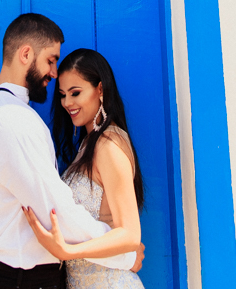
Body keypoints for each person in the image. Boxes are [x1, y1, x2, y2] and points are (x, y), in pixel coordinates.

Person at [0, 14, 142, 289]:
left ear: (99, 90)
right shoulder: (11, 118)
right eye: (50, 60)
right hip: (20, 281)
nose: (53, 71)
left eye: (75, 92)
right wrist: (124, 255)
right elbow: (55, 211)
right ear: (26, 54)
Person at [24, 48, 146, 289]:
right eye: (62, 95)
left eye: (75, 93)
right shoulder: (88, 145)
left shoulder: (109, 144)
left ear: (100, 90)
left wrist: (67, 251)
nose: (67, 103)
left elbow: (131, 235)